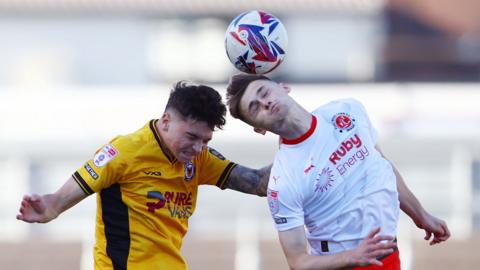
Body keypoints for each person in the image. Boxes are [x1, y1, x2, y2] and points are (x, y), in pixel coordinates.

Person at [17, 82, 275, 270]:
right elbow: (59, 199)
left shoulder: (200, 158)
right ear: (165, 121)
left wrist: (287, 129)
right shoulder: (124, 151)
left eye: (205, 140)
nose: (198, 148)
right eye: (191, 137)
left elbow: (260, 183)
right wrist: (49, 207)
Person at [226, 74, 451, 269]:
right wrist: (352, 257)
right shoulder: (283, 180)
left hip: (389, 257)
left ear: (283, 87)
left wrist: (421, 216)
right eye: (255, 107)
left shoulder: (347, 109)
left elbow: (380, 165)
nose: (265, 102)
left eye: (264, 92)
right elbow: (298, 262)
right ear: (258, 129)